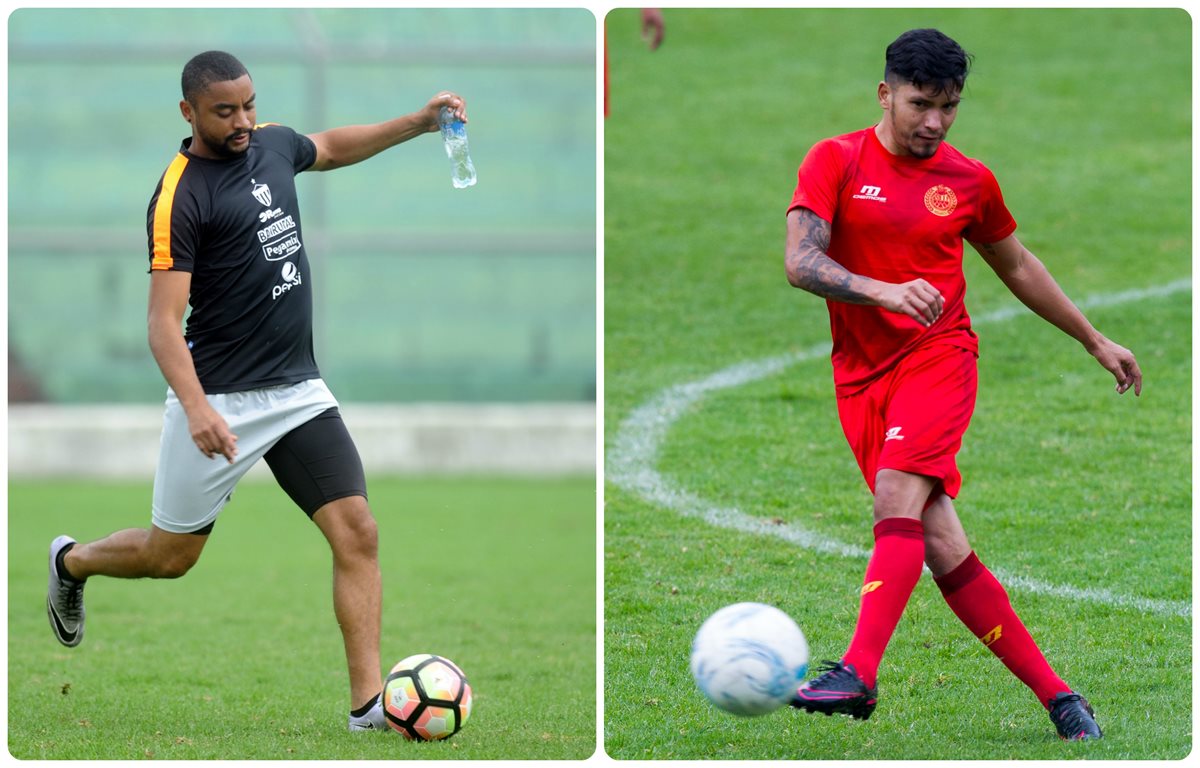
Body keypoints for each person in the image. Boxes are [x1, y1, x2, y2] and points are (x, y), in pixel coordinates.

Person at [45, 50, 467, 733]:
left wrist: (418, 123)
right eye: (225, 111)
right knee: (169, 557)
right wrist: (197, 407)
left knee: (358, 531)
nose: (243, 121)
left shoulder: (270, 144)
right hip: (220, 400)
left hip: (298, 390)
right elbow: (161, 325)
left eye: (247, 105)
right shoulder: (179, 195)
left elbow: (327, 147)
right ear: (188, 113)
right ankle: (72, 561)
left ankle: (367, 710)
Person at [783, 28, 1140, 741]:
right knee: (939, 542)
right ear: (885, 95)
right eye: (921, 104)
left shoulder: (968, 180)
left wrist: (1094, 338)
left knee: (895, 496)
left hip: (938, 358)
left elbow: (1017, 264)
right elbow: (800, 261)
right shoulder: (836, 159)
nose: (935, 122)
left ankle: (858, 672)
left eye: (949, 107)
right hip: (858, 379)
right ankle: (1062, 700)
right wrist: (880, 291)